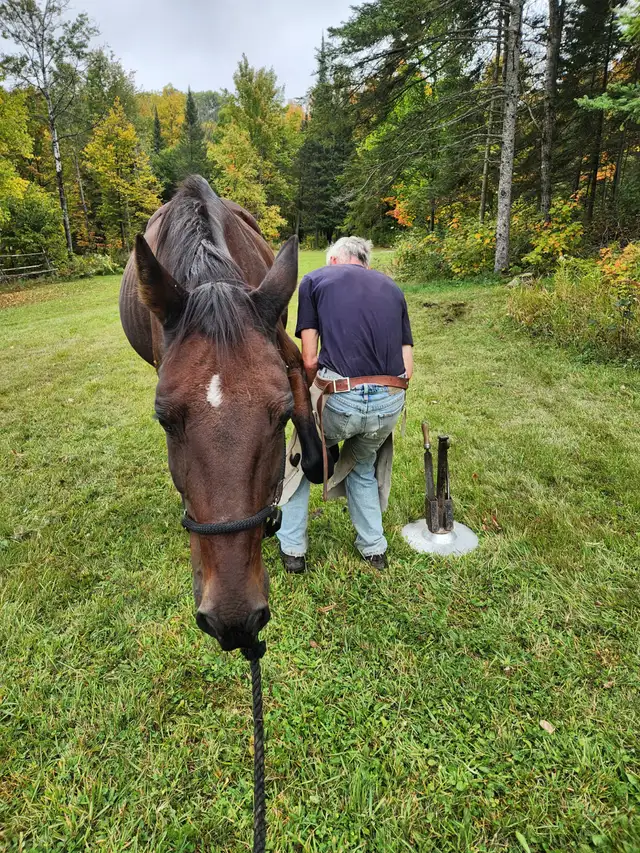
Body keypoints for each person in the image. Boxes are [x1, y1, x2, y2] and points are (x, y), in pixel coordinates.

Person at [277, 236, 414, 572]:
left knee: (299, 460)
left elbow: (309, 359)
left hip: (339, 397)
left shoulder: (315, 280)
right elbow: (407, 367)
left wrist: (307, 403)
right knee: (361, 467)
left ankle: (293, 550)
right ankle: (374, 549)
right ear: (364, 261)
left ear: (334, 260)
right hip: (390, 401)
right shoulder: (392, 288)